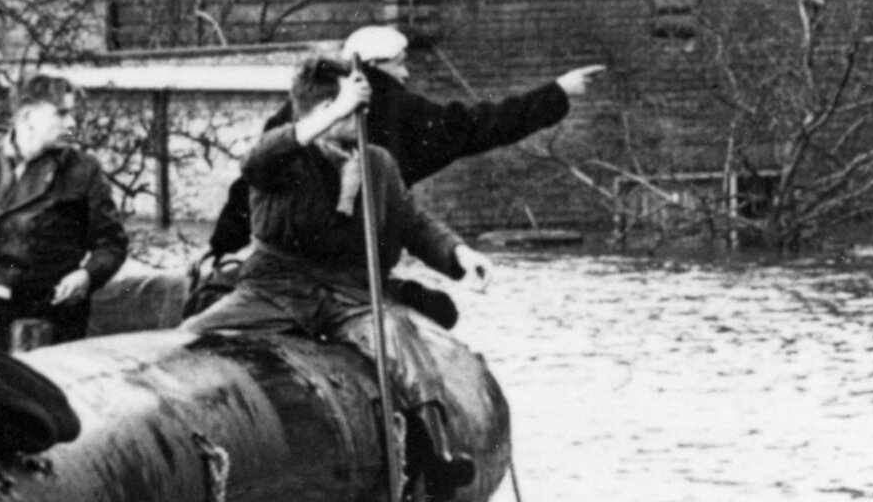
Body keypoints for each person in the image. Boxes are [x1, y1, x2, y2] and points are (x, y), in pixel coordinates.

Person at [201, 26, 599, 324]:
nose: (406, 74)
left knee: (408, 352)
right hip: (275, 285)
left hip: (353, 289)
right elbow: (255, 168)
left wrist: (458, 254)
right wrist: (557, 92)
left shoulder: (376, 160)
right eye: (399, 64)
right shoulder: (291, 140)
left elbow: (409, 218)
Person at [0, 86, 127, 350]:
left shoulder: (82, 169)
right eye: (61, 114)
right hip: (3, 302)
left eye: (72, 114)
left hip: (60, 307)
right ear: (26, 117)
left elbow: (111, 243)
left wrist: (87, 275)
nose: (71, 123)